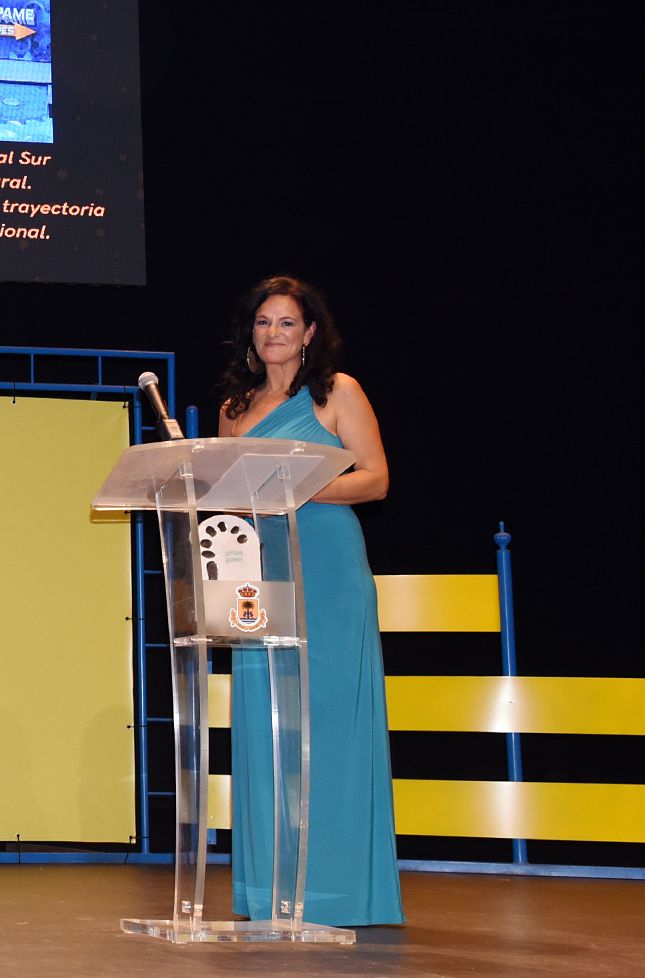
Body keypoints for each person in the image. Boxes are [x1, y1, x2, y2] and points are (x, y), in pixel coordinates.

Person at [217, 276, 404, 927]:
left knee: (328, 724)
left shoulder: (337, 392)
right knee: (266, 725)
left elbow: (376, 479)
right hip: (259, 570)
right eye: (263, 322)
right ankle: (268, 890)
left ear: (310, 333)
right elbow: (231, 496)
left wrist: (298, 488)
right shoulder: (235, 407)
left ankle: (339, 893)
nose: (273, 333)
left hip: (328, 569)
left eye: (287, 323)